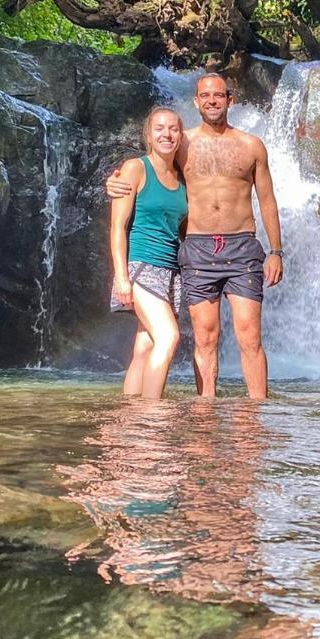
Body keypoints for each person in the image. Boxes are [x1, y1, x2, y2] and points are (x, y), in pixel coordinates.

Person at [108, 73, 283, 399]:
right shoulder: (181, 143)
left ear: (230, 99)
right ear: (196, 101)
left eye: (219, 95)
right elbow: (147, 168)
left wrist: (276, 250)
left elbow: (267, 199)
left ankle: (258, 410)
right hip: (198, 248)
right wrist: (113, 182)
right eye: (205, 95)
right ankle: (206, 409)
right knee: (205, 336)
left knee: (249, 335)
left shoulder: (252, 146)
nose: (212, 100)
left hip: (242, 245)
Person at [109, 106, 188, 399]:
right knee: (168, 337)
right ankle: (153, 415)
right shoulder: (135, 168)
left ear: (181, 135)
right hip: (141, 266)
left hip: (170, 270)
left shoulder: (181, 177)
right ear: (148, 135)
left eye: (173, 129)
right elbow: (117, 226)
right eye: (159, 128)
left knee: (144, 346)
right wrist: (122, 277)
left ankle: (130, 417)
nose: (166, 134)